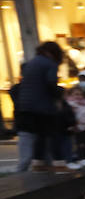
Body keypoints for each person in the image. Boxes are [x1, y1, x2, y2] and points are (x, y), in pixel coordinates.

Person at [13, 41, 63, 172]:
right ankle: (58, 163)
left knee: (39, 137)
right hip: (43, 106)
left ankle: (38, 164)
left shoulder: (31, 63)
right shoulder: (50, 64)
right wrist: (61, 94)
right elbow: (51, 83)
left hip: (26, 108)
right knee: (52, 135)